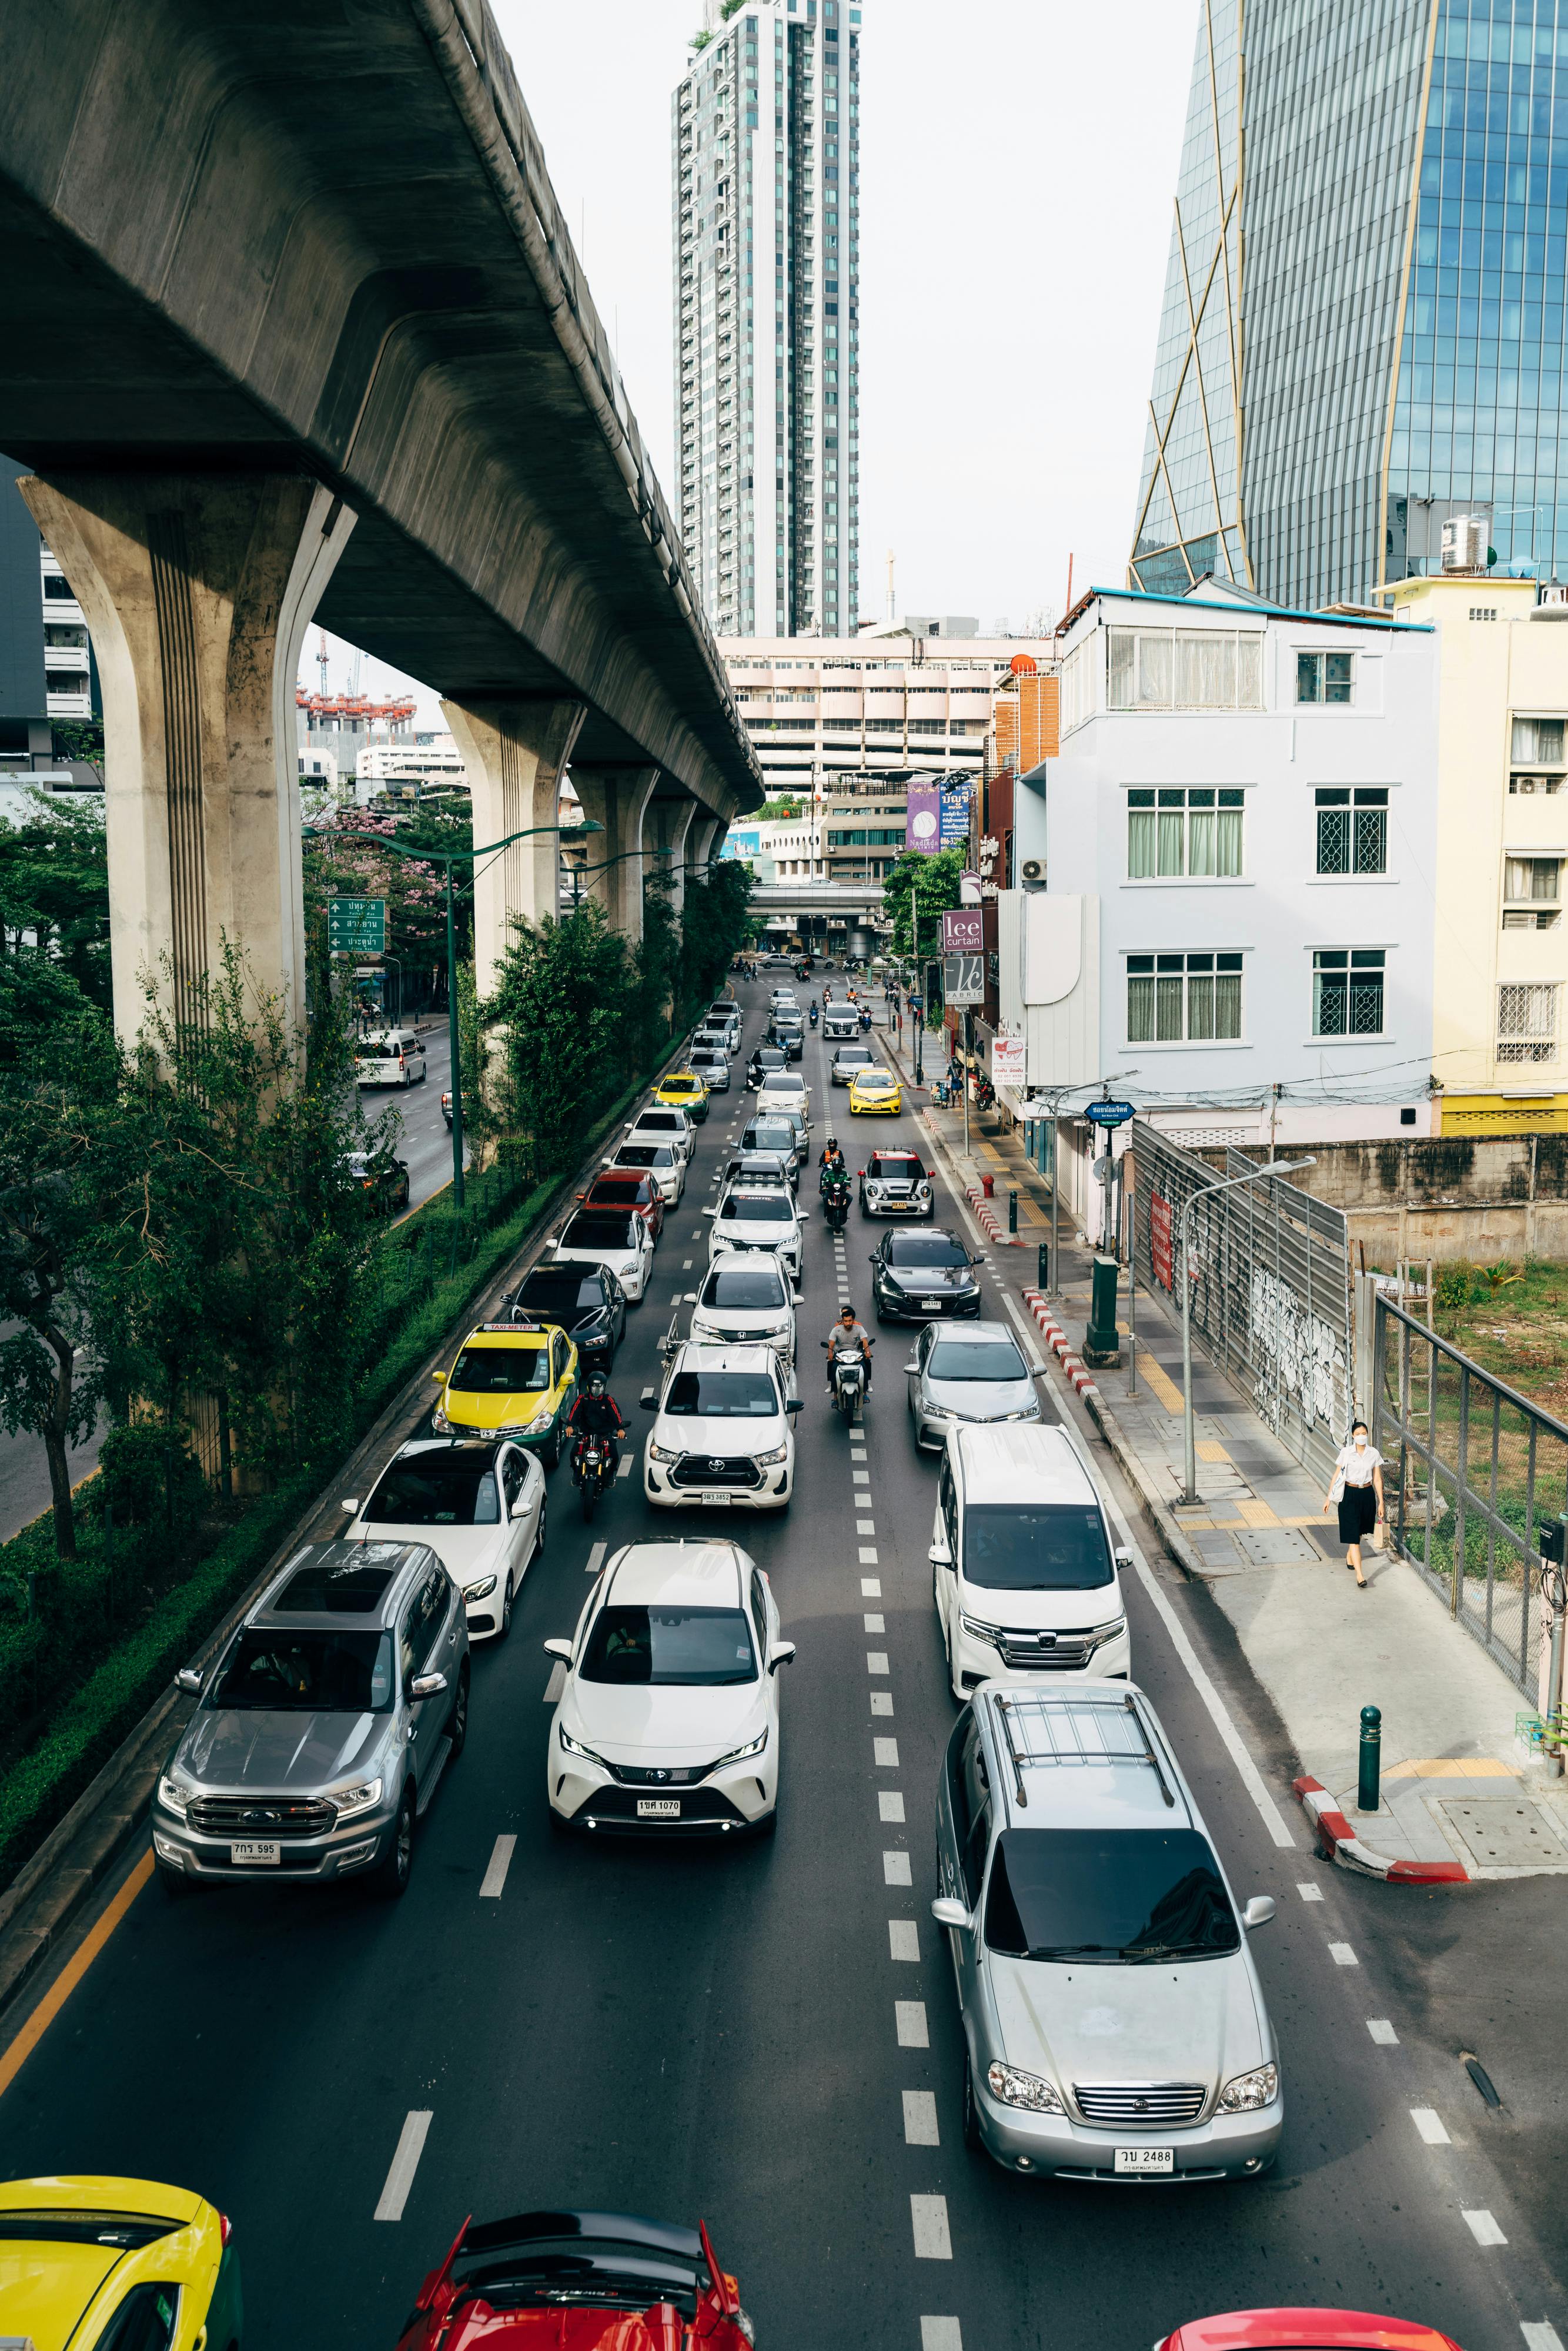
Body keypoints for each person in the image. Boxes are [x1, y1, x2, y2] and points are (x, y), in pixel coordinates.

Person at [1323, 1419, 1385, 1587]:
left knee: (1359, 1532)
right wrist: (1329, 1497)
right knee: (1354, 1537)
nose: (1361, 1437)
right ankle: (1360, 1576)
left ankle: (1350, 1557)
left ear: (1367, 1435)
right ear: (1352, 1436)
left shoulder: (1374, 1453)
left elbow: (1377, 1479)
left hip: (1366, 1494)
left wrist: (1381, 1502)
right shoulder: (1346, 1453)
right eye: (1358, 1434)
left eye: (1364, 1434)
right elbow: (1337, 1476)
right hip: (1349, 1495)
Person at [567, 1371, 626, 1476]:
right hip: (586, 1433)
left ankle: (610, 1475)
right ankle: (576, 1473)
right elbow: (574, 1412)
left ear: (604, 1387)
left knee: (615, 1456)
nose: (596, 1390)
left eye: (599, 1387)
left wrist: (620, 1429)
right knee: (573, 1453)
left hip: (605, 1435)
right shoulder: (582, 1399)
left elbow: (616, 1414)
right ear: (589, 1387)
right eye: (594, 1387)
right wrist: (570, 1426)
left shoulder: (608, 1400)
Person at [826, 1303, 874, 1394]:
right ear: (842, 1320)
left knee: (865, 1365)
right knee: (833, 1366)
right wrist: (830, 1354)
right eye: (846, 1321)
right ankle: (832, 1386)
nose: (848, 1323)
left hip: (856, 1353)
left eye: (850, 1321)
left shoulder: (859, 1328)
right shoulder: (836, 1330)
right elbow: (831, 1345)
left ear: (853, 1320)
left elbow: (865, 1341)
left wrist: (868, 1352)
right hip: (840, 1353)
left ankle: (866, 1385)